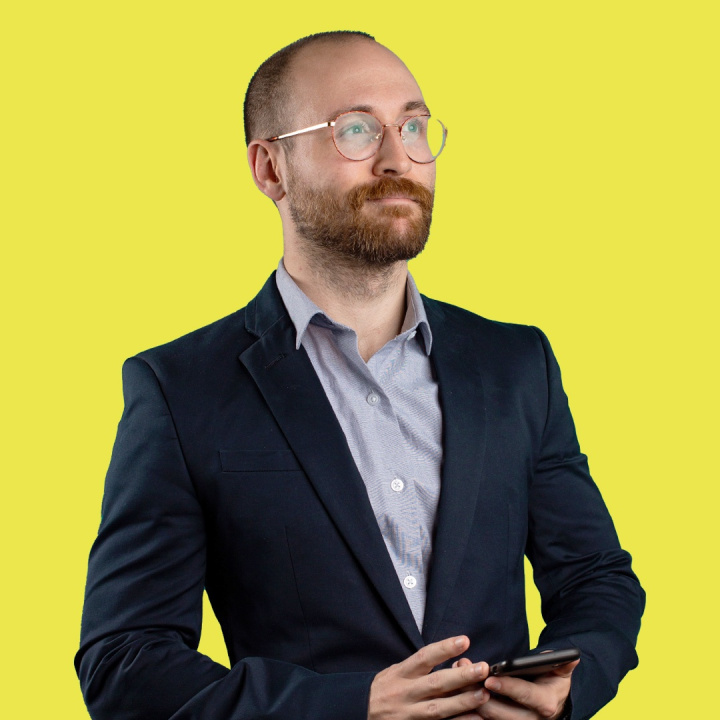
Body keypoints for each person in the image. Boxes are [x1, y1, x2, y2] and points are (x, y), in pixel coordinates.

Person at [75, 31, 644, 720]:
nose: (398, 158)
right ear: (270, 168)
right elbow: (124, 660)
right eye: (354, 129)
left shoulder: (516, 365)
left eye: (413, 126)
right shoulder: (179, 389)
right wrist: (352, 705)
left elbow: (596, 578)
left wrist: (569, 679)